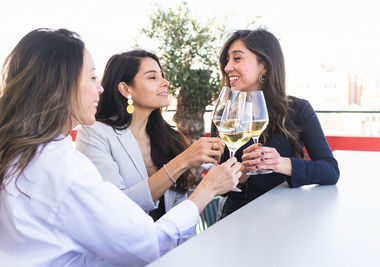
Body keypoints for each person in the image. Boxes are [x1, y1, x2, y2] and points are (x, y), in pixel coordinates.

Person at [0, 28, 241, 267]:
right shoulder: (66, 169)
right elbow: (148, 245)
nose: (100, 88)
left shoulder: (23, 152)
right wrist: (206, 189)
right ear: (61, 84)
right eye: (93, 77)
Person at [76, 50, 224, 222]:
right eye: (152, 77)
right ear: (126, 89)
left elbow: (180, 207)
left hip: (172, 245)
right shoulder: (95, 133)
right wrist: (182, 162)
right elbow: (114, 209)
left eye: (162, 76)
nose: (165, 83)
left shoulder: (168, 137)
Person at [213, 29, 340, 218]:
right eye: (227, 60)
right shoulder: (225, 113)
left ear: (263, 64)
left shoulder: (298, 109)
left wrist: (279, 163)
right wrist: (243, 172)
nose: (227, 67)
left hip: (288, 215)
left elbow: (330, 171)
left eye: (237, 59)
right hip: (237, 217)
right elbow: (222, 189)